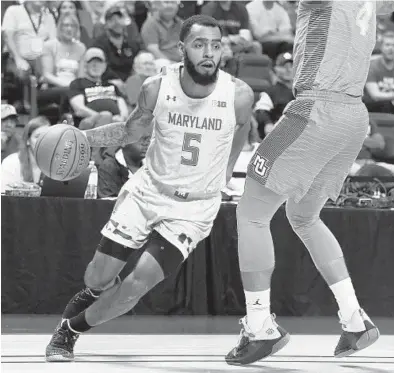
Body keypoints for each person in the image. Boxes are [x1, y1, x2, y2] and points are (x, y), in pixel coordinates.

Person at [45, 14, 254, 362]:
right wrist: (83, 137)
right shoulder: (157, 88)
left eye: (216, 45)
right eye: (200, 44)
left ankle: (69, 331)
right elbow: (129, 132)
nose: (209, 52)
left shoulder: (239, 95)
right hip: (148, 192)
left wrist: (229, 168)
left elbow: (243, 127)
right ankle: (100, 293)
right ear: (181, 47)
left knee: (134, 289)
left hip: (193, 209)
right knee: (97, 277)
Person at [225, 1, 394, 366]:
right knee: (304, 216)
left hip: (317, 108)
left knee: (252, 212)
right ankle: (355, 319)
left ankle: (259, 326)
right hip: (353, 116)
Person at [1, 116, 50, 193]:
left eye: (47, 136)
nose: (42, 141)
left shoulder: (56, 166)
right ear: (28, 140)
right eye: (38, 136)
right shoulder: (11, 162)